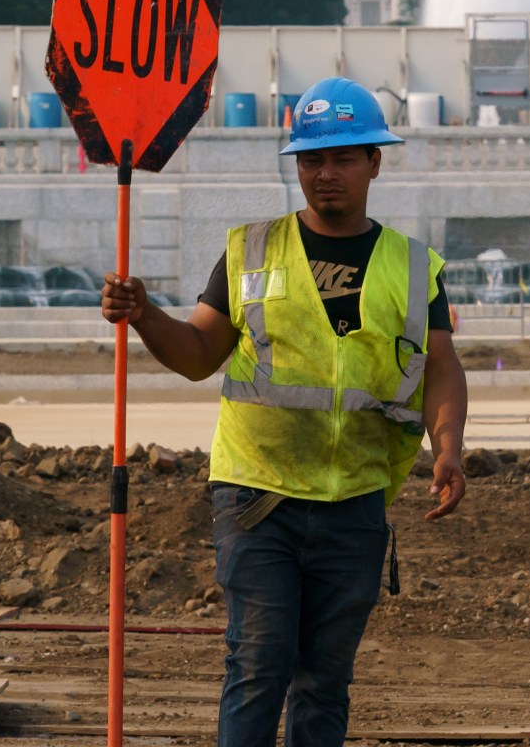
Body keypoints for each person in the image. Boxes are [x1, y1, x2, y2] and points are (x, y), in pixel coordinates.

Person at [101, 76, 467, 747]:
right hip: (256, 495)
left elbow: (440, 365)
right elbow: (197, 353)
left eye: (343, 158)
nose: (325, 174)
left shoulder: (413, 268)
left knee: (325, 681)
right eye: (311, 160)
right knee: (258, 665)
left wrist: (447, 448)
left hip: (355, 500)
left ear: (374, 162)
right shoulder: (252, 251)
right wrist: (145, 315)